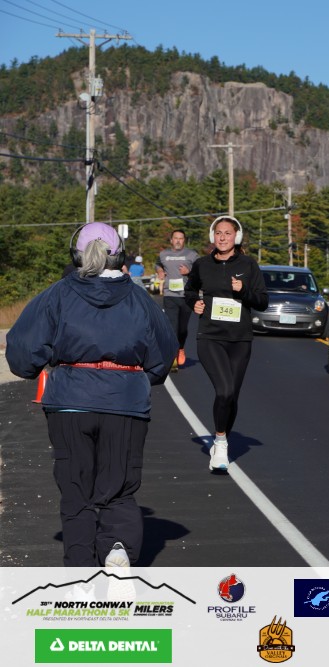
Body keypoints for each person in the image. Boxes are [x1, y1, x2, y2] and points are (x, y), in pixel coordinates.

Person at [5, 223, 177, 568]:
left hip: (70, 401)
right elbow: (163, 354)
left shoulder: (57, 294)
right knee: (119, 485)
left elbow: (23, 350)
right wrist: (136, 379)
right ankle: (117, 547)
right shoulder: (139, 299)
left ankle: (80, 570)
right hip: (125, 402)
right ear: (119, 256)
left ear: (76, 255)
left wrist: (40, 366)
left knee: (75, 488)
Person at [184, 215, 268, 471]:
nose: (222, 237)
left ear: (236, 237)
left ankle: (222, 438)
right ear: (213, 236)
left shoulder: (249, 265)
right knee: (224, 391)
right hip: (210, 336)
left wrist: (243, 291)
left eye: (227, 233)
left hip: (240, 339)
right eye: (218, 233)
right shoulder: (202, 264)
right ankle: (220, 443)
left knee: (232, 395)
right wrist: (195, 303)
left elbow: (262, 301)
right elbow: (189, 290)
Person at [155, 229, 199, 369]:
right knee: (172, 326)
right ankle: (172, 355)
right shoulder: (164, 254)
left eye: (181, 238)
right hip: (170, 295)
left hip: (187, 296)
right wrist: (160, 271)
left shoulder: (192, 255)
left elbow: (200, 272)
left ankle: (180, 348)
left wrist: (189, 272)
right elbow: (158, 264)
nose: (178, 241)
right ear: (171, 240)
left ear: (184, 240)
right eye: (176, 238)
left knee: (182, 329)